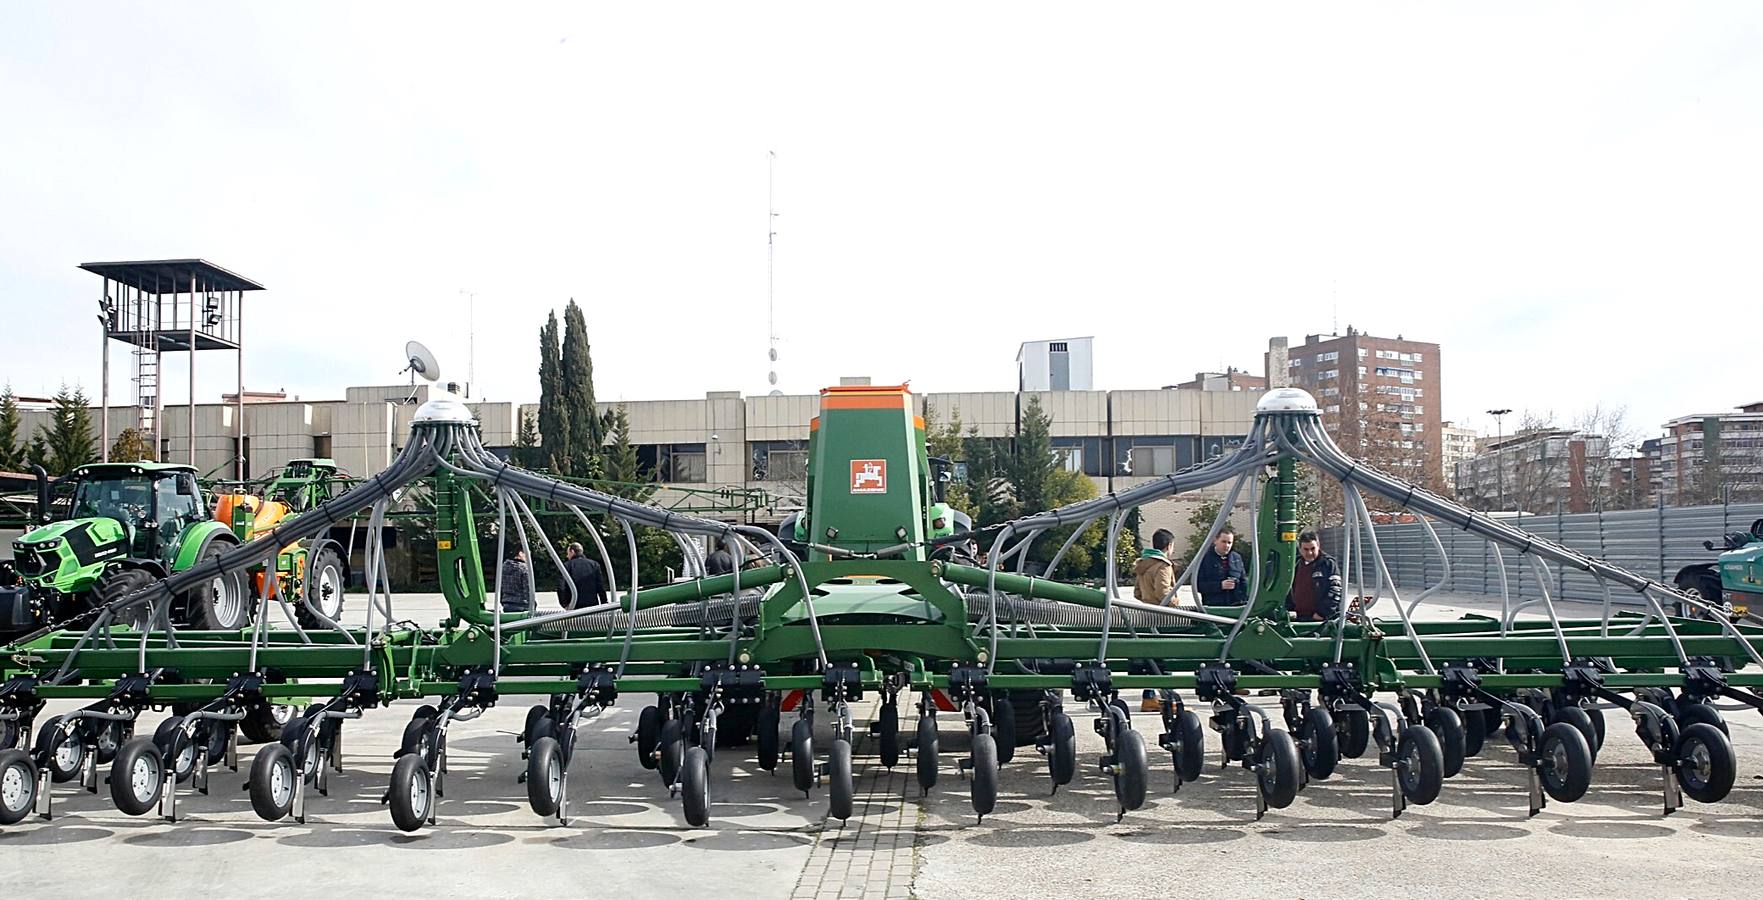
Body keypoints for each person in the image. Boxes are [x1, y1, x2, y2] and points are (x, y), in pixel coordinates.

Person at [1133, 528, 1179, 710]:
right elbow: (1163, 592)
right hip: (1161, 617)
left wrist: (1147, 598)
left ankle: (1149, 697)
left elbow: (1137, 592)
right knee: (1163, 657)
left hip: (1146, 614)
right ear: (1169, 546)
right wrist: (1175, 602)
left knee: (1150, 657)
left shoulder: (1143, 564)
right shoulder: (1163, 566)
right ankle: (1168, 699)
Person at [1285, 531, 1343, 622]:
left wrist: (1322, 613)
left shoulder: (1328, 564)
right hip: (1298, 617)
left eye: (1313, 548)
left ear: (1318, 546)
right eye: (1306, 549)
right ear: (1300, 549)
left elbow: (1336, 590)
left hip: (1320, 620)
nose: (1310, 553)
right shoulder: (1295, 564)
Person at [1195, 527, 1247, 606]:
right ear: (1215, 541)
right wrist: (1220, 585)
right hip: (1214, 606)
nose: (1227, 545)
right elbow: (1198, 585)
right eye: (1223, 542)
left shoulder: (1237, 558)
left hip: (1236, 604)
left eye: (1229, 542)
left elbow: (1243, 582)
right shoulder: (1204, 559)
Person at [561, 542, 608, 610]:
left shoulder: (566, 566)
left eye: (568, 553)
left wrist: (564, 604)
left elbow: (561, 587)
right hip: (592, 605)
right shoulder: (594, 565)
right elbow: (600, 586)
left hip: (574, 606)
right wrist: (604, 603)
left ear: (572, 551)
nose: (567, 556)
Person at [498, 549, 533, 613]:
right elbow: (528, 589)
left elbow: (500, 586)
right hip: (521, 604)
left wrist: (502, 600)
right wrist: (532, 604)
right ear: (520, 553)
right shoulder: (524, 568)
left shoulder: (504, 567)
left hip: (507, 603)